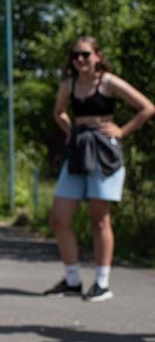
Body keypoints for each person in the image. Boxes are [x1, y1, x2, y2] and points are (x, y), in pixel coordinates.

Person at [45, 36, 154, 302]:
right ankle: (72, 280)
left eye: (85, 54)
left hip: (104, 152)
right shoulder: (68, 85)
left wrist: (121, 131)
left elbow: (147, 107)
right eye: (75, 55)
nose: (80, 60)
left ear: (97, 56)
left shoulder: (108, 82)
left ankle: (102, 283)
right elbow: (59, 112)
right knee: (59, 218)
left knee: (99, 219)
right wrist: (71, 130)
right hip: (78, 151)